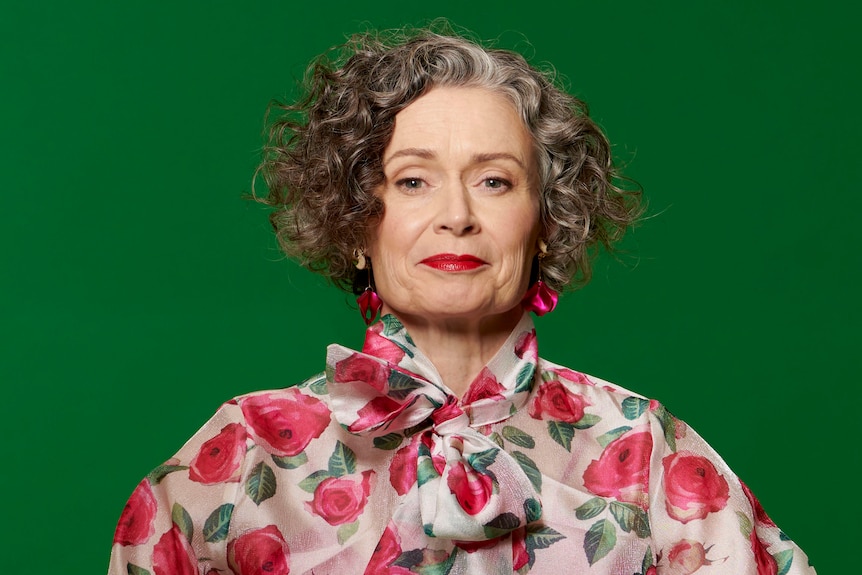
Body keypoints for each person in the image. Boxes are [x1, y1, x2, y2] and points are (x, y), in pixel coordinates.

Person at [108, 26, 816, 575]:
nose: (457, 216)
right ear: (357, 222)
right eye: (414, 180)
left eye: (495, 181)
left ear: (546, 222)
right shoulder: (240, 458)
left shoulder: (642, 450)